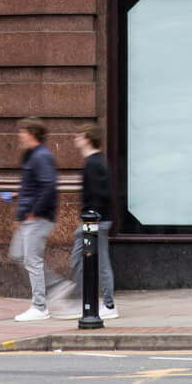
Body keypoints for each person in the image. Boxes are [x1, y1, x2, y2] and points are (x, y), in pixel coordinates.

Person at [55, 125, 118, 321]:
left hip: (95, 222)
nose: (76, 140)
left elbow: (101, 194)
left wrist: (91, 218)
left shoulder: (94, 163)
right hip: (94, 221)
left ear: (88, 138)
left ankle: (107, 304)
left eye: (79, 136)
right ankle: (84, 300)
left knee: (99, 263)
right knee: (79, 259)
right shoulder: (96, 161)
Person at [11, 117, 68, 321]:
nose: (20, 136)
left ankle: (39, 306)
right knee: (18, 254)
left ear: (32, 134)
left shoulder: (41, 156)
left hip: (38, 217)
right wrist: (19, 196)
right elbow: (35, 185)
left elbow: (48, 186)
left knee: (32, 260)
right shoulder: (31, 155)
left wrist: (34, 210)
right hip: (29, 216)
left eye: (23, 132)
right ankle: (55, 285)